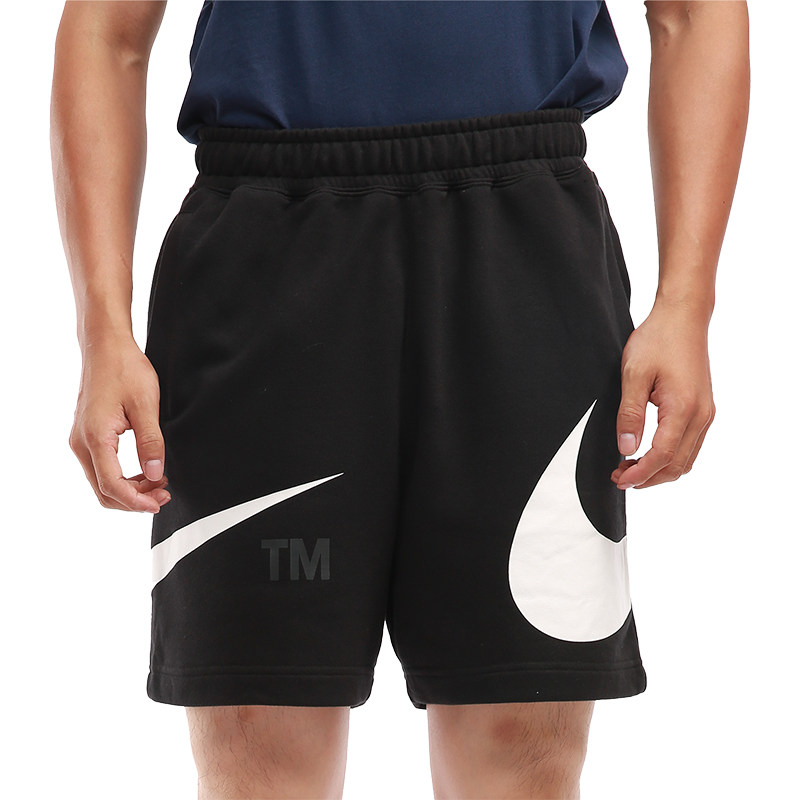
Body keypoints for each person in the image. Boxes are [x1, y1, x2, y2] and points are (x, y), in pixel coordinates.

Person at [51, 1, 749, 798]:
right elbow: (107, 32)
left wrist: (687, 302)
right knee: (260, 740)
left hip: (524, 245)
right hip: (266, 257)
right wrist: (102, 329)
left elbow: (694, 13)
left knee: (522, 739)